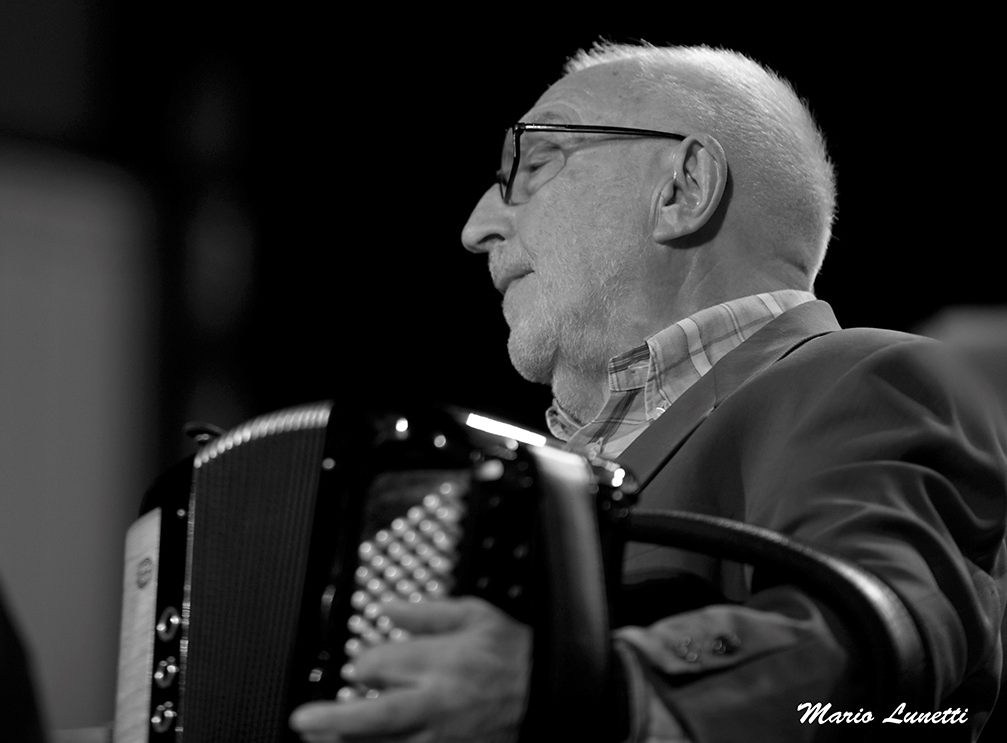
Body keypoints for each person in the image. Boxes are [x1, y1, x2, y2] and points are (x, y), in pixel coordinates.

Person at [289, 43, 1007, 742]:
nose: (477, 227)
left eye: (535, 164)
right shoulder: (532, 480)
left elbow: (886, 633)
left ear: (683, 187)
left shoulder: (870, 377)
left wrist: (602, 692)